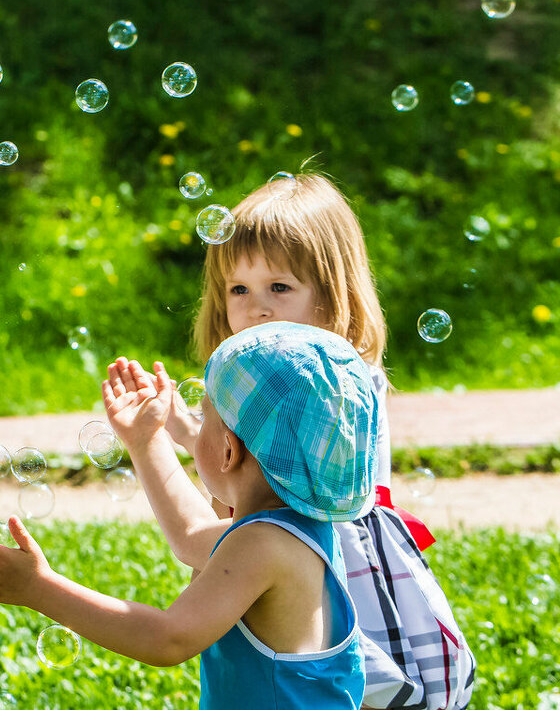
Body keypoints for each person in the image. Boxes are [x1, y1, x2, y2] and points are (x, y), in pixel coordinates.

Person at [0, 322, 378, 709]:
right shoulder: (293, 529)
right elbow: (191, 536)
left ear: (229, 451)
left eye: (204, 413)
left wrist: (39, 588)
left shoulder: (264, 545)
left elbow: (168, 638)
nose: (192, 420)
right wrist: (145, 440)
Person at [165, 171, 475, 708]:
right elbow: (252, 461)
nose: (255, 308)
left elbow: (278, 467)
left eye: (279, 288)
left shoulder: (338, 381)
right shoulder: (254, 381)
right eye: (239, 289)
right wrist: (179, 425)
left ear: (334, 297)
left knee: (353, 683)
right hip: (283, 555)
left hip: (336, 559)